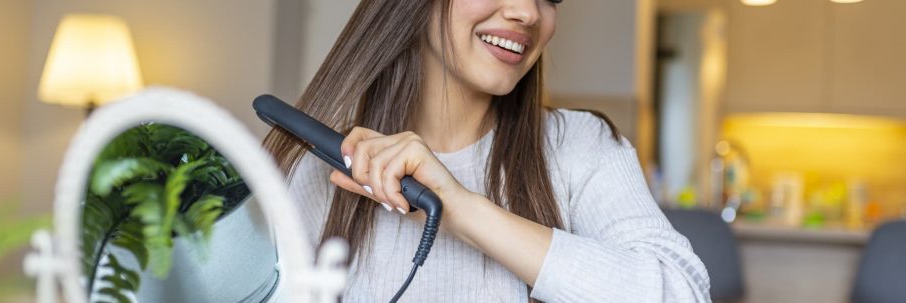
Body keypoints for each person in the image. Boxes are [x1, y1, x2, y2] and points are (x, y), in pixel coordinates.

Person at [262, 0, 711, 302]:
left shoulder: (581, 146)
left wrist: (461, 209)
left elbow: (683, 294)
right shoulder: (315, 169)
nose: (528, 13)